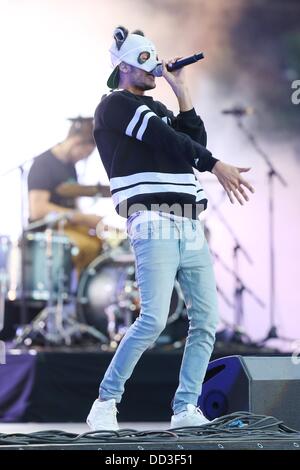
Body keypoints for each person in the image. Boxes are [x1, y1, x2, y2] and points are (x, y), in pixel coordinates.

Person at [87, 26, 254, 430]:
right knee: (154, 319)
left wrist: (180, 89)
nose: (154, 65)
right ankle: (106, 402)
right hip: (154, 217)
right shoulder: (115, 106)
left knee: (206, 320)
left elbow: (190, 138)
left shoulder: (157, 109)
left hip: (187, 221)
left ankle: (185, 408)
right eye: (145, 59)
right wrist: (215, 164)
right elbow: (171, 141)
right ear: (124, 66)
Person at [27, 116, 110, 274]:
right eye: (84, 154)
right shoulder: (43, 164)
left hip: (67, 226)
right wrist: (83, 218)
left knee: (103, 242)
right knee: (87, 246)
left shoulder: (70, 167)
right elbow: (38, 209)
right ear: (76, 141)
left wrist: (92, 222)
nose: (82, 159)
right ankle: (74, 293)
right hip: (47, 230)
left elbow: (73, 203)